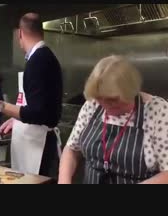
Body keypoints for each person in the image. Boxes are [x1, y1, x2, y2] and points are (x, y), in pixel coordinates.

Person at [0, 13, 63, 178]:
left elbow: (38, 114)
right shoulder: (41, 57)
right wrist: (17, 118)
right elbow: (37, 106)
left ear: (20, 33)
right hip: (34, 141)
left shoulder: (39, 60)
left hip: (39, 146)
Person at [58, 55, 168, 184]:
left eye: (113, 101)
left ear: (131, 91)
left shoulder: (157, 111)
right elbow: (72, 149)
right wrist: (63, 181)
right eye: (100, 99)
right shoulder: (93, 104)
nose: (106, 107)